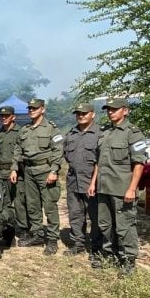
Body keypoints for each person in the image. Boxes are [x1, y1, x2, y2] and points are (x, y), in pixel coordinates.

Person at [89, 98, 147, 276]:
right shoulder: (105, 133)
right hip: (103, 187)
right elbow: (99, 161)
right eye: (108, 109)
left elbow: (139, 163)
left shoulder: (133, 133)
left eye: (114, 109)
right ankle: (110, 253)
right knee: (105, 224)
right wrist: (93, 183)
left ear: (125, 111)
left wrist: (131, 188)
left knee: (125, 225)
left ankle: (128, 259)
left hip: (122, 188)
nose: (110, 112)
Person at [11, 98, 63, 255]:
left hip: (45, 171)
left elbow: (58, 151)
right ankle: (38, 234)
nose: (31, 110)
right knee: (32, 205)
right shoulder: (25, 129)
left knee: (49, 205)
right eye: (30, 108)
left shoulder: (51, 129)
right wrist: (14, 168)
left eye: (35, 108)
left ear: (43, 109)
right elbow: (18, 149)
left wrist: (54, 170)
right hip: (28, 171)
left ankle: (52, 239)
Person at [63, 102, 102, 256]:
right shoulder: (71, 134)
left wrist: (94, 180)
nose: (80, 116)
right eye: (78, 113)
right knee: (75, 213)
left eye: (84, 113)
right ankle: (77, 243)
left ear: (93, 114)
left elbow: (100, 160)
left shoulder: (100, 133)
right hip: (73, 178)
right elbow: (66, 155)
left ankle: (96, 246)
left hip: (91, 179)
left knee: (95, 214)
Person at [0, 105, 28, 241]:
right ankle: (7, 226)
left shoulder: (21, 131)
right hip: (1, 172)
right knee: (3, 202)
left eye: (6, 116)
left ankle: (23, 228)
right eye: (2, 116)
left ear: (13, 117)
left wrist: (17, 169)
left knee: (19, 202)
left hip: (17, 172)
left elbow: (23, 152)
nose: (4, 118)